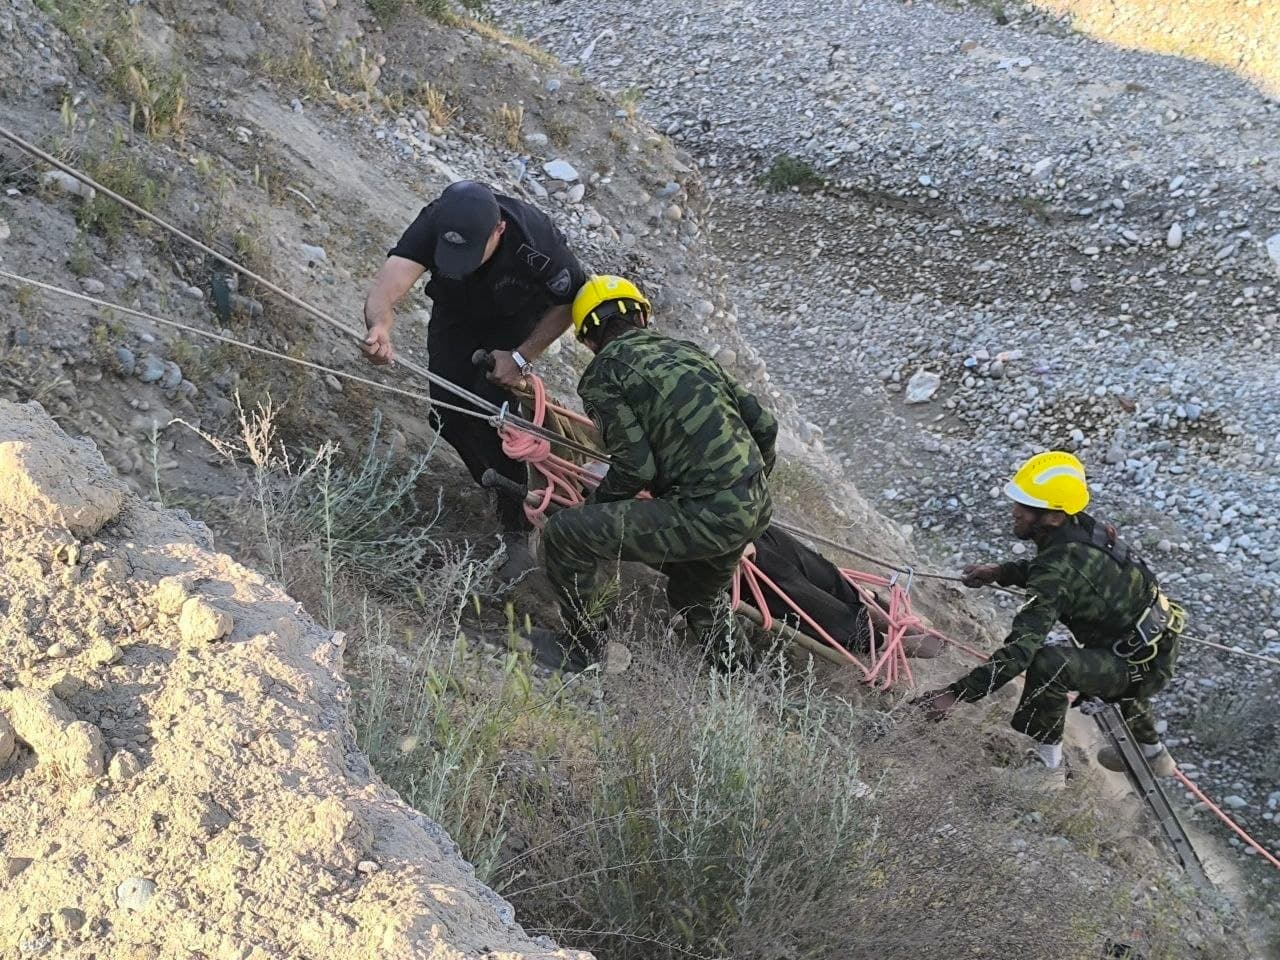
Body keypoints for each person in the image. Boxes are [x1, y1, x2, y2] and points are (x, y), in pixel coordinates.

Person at [527, 275, 776, 672]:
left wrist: (593, 507)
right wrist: (749, 487)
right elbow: (765, 427)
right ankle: (746, 680)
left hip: (705, 511)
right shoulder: (689, 353)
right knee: (697, 596)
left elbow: (635, 465)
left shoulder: (603, 373)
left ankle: (583, 648)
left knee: (566, 535)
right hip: (755, 503)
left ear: (589, 339)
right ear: (642, 316)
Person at [916, 451, 1184, 778]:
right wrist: (1001, 572)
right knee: (1117, 663)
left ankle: (1046, 771)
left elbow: (1020, 652)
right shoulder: (1082, 531)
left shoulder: (1057, 566)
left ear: (1054, 516)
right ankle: (1153, 752)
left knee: (1049, 664)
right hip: (1153, 644)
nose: (1014, 512)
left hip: (1139, 663)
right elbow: (1059, 570)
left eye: (1025, 507)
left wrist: (953, 695)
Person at [361, 180, 586, 568]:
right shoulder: (436, 220)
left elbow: (569, 301)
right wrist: (379, 325)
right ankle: (495, 483)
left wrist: (520, 357)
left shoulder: (536, 239)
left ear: (498, 231)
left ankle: (518, 524)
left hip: (514, 321)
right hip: (457, 315)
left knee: (495, 419)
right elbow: (390, 281)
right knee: (445, 415)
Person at [746, 526, 944, 659]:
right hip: (728, 555)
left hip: (746, 527)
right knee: (798, 595)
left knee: (824, 574)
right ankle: (882, 642)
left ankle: (863, 607)